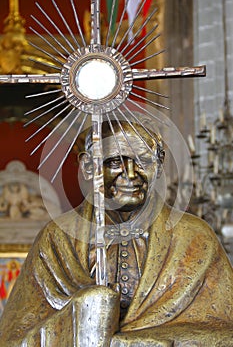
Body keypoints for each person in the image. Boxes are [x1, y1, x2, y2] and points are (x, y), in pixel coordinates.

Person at [0, 121, 232, 346]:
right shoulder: (57, 239)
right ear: (88, 167)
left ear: (159, 165)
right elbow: (14, 338)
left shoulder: (195, 238)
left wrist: (138, 342)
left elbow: (225, 333)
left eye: (143, 161)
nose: (131, 174)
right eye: (115, 162)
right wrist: (82, 315)